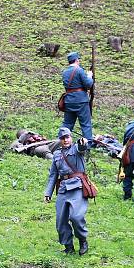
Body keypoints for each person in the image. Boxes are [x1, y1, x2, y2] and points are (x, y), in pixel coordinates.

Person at [44, 127, 92, 255]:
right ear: (60, 140)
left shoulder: (76, 148)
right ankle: (68, 246)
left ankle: (82, 240)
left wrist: (84, 142)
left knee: (76, 217)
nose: (65, 140)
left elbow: (82, 147)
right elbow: (53, 175)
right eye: (62, 138)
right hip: (63, 189)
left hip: (77, 187)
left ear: (71, 137)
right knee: (61, 221)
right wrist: (48, 193)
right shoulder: (57, 154)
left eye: (67, 137)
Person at [60, 52, 94, 140]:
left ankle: (59, 143)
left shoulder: (65, 72)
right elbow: (88, 84)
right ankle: (87, 146)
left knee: (67, 124)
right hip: (81, 101)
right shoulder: (79, 70)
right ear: (76, 60)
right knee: (86, 125)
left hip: (69, 101)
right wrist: (90, 76)